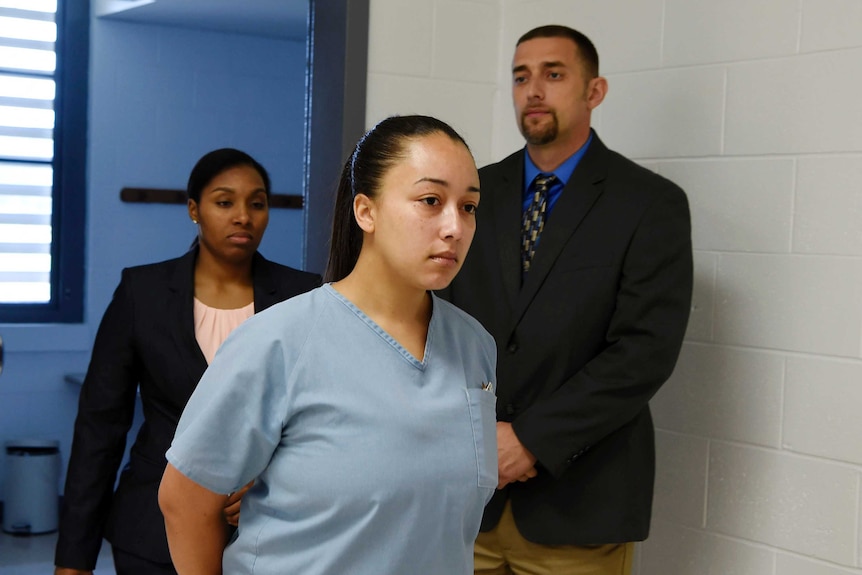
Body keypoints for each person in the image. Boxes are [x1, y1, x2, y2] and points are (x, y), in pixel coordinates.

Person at [158, 115, 498, 575]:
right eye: (430, 200)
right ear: (366, 211)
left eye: (469, 207)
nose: (454, 227)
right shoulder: (278, 341)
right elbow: (185, 501)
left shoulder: (474, 346)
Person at [441, 25, 693, 574]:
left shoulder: (649, 204)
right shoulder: (473, 194)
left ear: (594, 91)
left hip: (579, 505)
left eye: (554, 75)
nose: (533, 90)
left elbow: (643, 353)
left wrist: (530, 440)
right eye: (520, 77)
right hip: (467, 501)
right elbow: (440, 324)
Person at [54, 148, 321, 575]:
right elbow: (99, 427)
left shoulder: (303, 296)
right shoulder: (142, 293)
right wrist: (73, 559)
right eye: (224, 201)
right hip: (152, 529)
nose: (243, 216)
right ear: (194, 209)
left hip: (268, 532)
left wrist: (270, 480)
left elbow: (320, 420)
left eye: (257, 203)